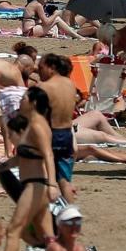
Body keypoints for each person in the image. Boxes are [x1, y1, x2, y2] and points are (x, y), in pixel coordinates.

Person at [0, 89, 58, 251]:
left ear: (33, 103)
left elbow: (48, 154)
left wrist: (52, 185)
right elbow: (21, 159)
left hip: (37, 185)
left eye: (25, 98)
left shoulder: (38, 126)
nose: (21, 100)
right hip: (33, 185)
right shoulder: (30, 126)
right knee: (47, 238)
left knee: (13, 231)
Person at [36, 53, 79, 200]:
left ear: (52, 68)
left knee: (43, 177)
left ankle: (44, 216)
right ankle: (71, 215)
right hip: (67, 133)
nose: (38, 70)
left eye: (41, 67)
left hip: (50, 133)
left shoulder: (44, 87)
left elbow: (37, 116)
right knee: (64, 181)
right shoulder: (70, 84)